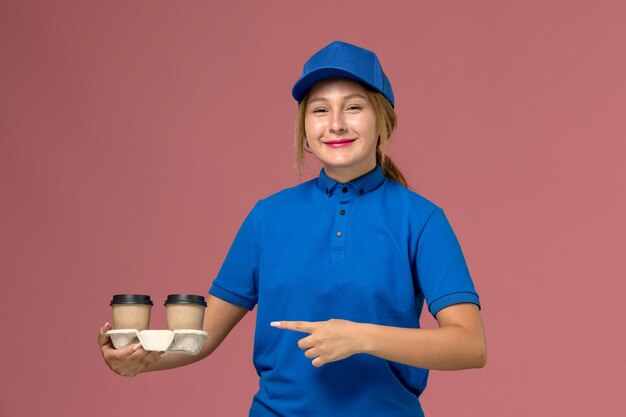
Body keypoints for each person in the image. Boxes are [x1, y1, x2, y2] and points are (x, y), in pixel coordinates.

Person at [98, 40, 487, 417]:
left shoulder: (421, 219)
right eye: (320, 110)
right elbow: (201, 338)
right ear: (304, 127)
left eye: (353, 107)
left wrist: (361, 337)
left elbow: (470, 345)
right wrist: (138, 361)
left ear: (383, 121)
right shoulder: (268, 216)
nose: (335, 124)